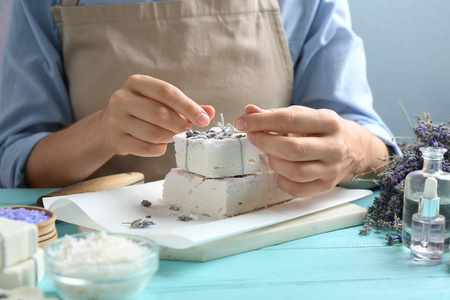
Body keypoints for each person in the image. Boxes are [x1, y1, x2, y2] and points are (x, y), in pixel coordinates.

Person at [0, 0, 400, 197]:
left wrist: (351, 148)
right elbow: (17, 161)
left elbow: (374, 148)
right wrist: (102, 131)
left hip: (270, 241)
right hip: (101, 249)